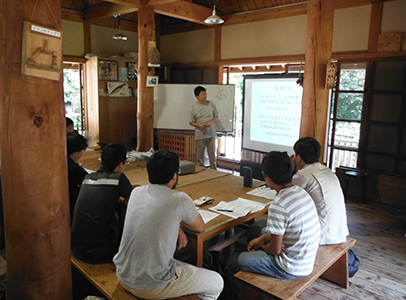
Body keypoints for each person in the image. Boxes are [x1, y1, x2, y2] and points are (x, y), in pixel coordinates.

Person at [114, 150, 223, 300]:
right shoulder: (179, 199)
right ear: (174, 175)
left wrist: (177, 226)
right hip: (150, 285)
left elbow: (155, 214)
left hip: (123, 274)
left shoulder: (136, 192)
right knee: (217, 282)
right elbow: (199, 227)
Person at [226, 151, 320, 282]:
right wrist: (264, 238)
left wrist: (262, 246)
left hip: (289, 267)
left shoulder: (279, 206)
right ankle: (254, 261)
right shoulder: (300, 192)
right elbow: (289, 230)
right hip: (306, 259)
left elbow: (275, 250)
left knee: (231, 261)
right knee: (254, 230)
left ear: (268, 178)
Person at [71, 142, 134, 264]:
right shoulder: (118, 178)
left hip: (76, 247)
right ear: (121, 164)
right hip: (98, 251)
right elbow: (133, 201)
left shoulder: (88, 178)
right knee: (119, 215)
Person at [291, 137, 349, 245]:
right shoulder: (327, 171)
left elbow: (287, 197)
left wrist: (290, 169)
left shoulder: (304, 175)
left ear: (298, 157)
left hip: (322, 236)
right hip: (339, 230)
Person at [189, 86, 218, 169]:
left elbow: (216, 116)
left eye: (205, 94)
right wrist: (199, 125)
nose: (205, 96)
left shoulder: (211, 104)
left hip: (211, 133)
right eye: (202, 95)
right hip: (200, 134)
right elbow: (191, 122)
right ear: (197, 96)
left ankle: (214, 172)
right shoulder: (193, 107)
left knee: (212, 155)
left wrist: (210, 123)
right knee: (200, 157)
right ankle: (200, 173)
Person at [66, 131, 88, 223]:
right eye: (83, 149)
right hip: (69, 209)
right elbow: (89, 180)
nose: (83, 152)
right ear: (75, 152)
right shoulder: (74, 169)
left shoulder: (61, 162)